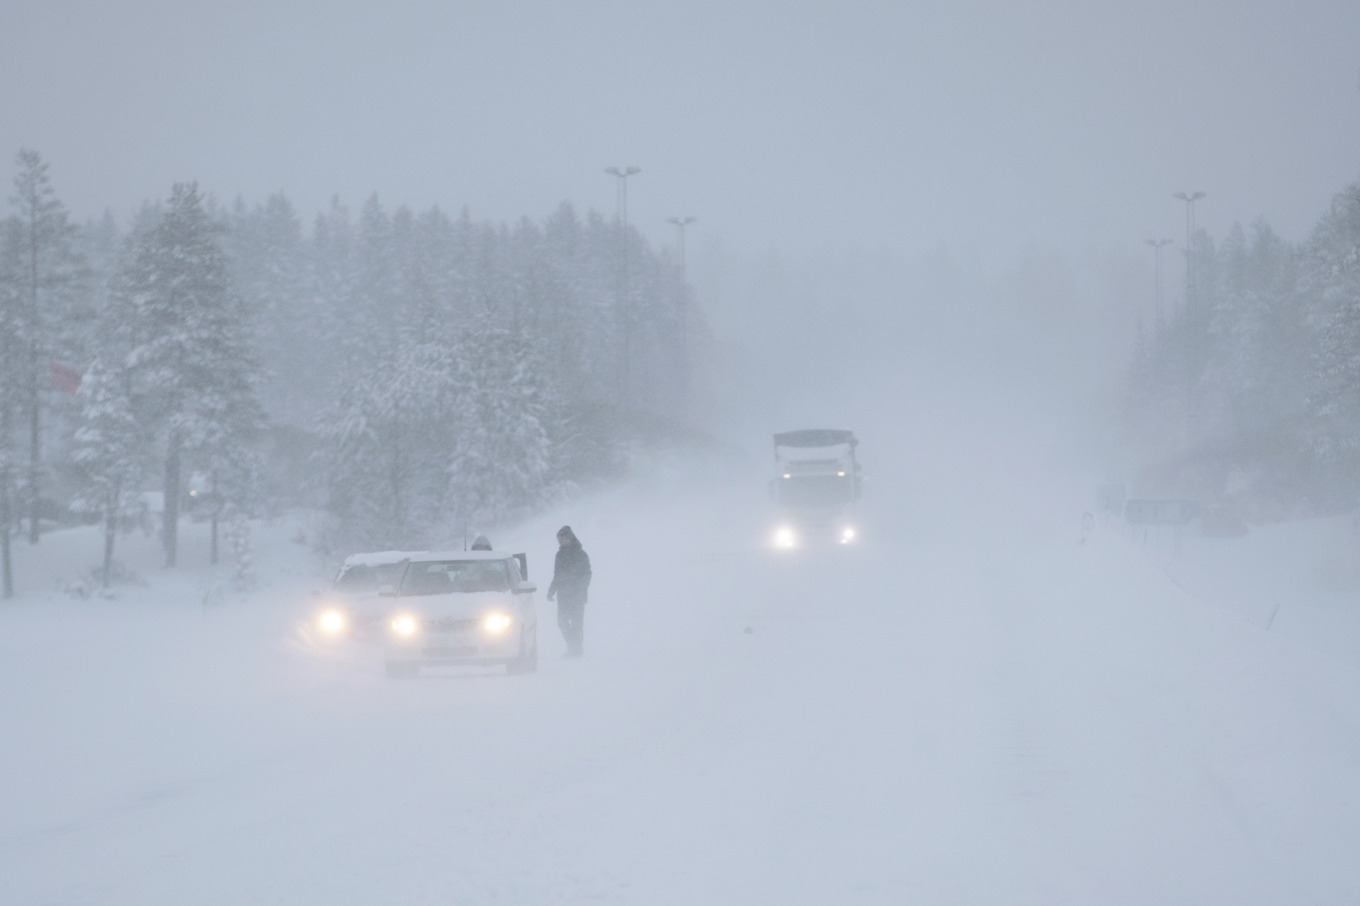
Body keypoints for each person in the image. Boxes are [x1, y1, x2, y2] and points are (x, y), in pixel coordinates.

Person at [546, 525, 591, 657]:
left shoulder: (581, 554)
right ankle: (574, 646)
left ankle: (576, 649)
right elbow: (557, 574)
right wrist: (551, 591)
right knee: (562, 622)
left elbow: (587, 574)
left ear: (569, 538)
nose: (560, 542)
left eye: (562, 539)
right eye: (558, 540)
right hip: (563, 595)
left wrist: (581, 588)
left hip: (578, 595)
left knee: (577, 623)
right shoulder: (559, 555)